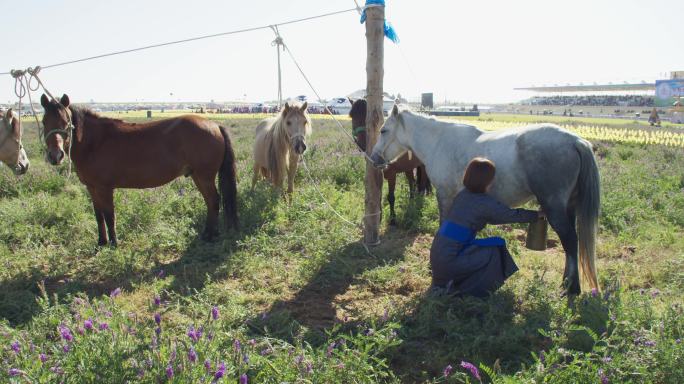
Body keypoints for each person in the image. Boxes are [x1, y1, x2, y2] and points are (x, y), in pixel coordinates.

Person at [430, 157, 544, 297]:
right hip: (451, 261)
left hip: (438, 258)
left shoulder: (462, 194)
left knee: (487, 246)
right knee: (495, 249)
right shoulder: (484, 203)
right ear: (487, 181)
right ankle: (468, 291)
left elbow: (489, 216)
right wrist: (536, 215)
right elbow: (510, 215)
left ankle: (449, 283)